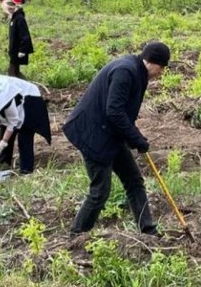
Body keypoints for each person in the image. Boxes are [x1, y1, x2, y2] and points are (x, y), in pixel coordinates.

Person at [63, 41, 170, 235]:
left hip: (110, 133)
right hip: (93, 134)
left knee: (134, 180)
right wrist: (136, 139)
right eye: (161, 67)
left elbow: (123, 114)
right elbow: (114, 111)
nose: (161, 72)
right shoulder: (125, 72)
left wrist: (135, 137)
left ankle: (147, 230)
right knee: (100, 192)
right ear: (151, 61)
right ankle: (76, 235)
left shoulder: (137, 72)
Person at [1, 0, 34, 78]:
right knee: (14, 71)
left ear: (10, 8)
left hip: (18, 50)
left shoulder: (19, 18)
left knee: (12, 72)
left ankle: (23, 85)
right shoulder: (14, 18)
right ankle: (22, 85)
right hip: (14, 50)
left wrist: (23, 50)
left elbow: (24, 35)